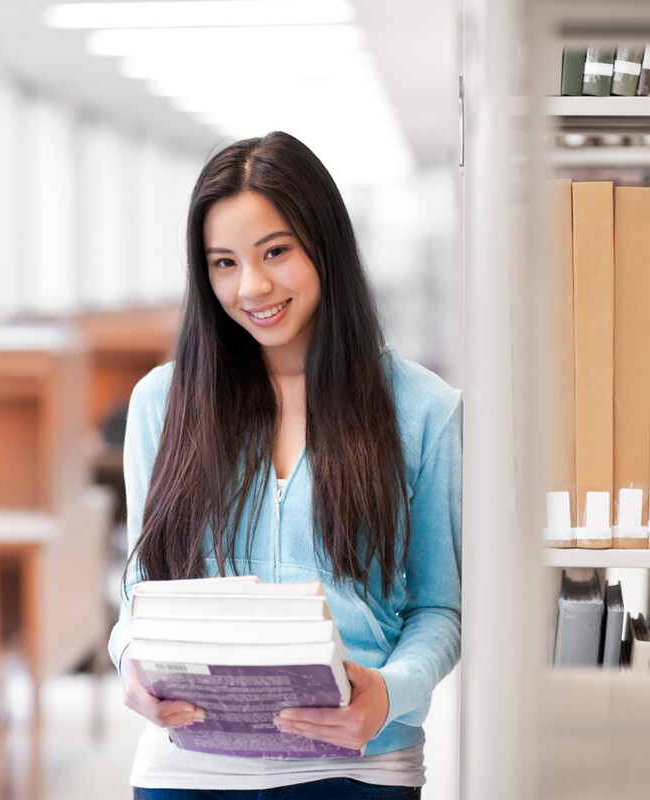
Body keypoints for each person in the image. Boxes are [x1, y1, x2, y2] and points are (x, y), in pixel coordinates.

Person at [109, 131, 462, 799]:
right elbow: (142, 589)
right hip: (190, 769)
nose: (253, 286)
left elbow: (439, 607)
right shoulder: (163, 402)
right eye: (223, 263)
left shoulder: (425, 409)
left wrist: (392, 692)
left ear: (324, 245)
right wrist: (129, 658)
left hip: (358, 766)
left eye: (276, 252)